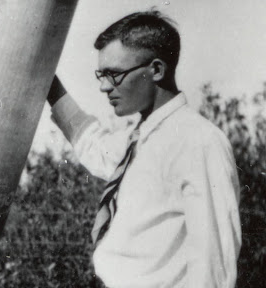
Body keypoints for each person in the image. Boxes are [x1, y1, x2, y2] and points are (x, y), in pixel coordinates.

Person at [47, 10, 241, 288]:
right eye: (101, 75)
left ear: (157, 70)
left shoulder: (199, 142)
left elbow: (213, 266)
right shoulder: (140, 137)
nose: (104, 86)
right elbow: (96, 146)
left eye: (114, 75)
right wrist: (51, 89)